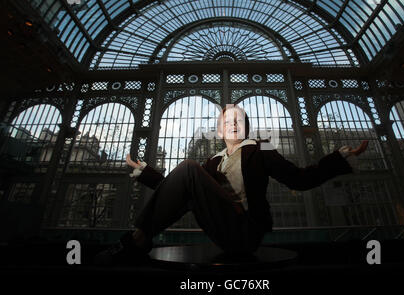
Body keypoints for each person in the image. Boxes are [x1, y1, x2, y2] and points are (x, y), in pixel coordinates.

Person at [95, 104, 368, 265]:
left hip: (247, 230)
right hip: (219, 226)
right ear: (219, 130)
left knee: (189, 167)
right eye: (227, 121)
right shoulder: (212, 162)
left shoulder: (262, 149)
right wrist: (145, 171)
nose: (233, 124)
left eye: (239, 120)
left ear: (246, 127)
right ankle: (138, 239)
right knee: (189, 171)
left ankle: (136, 242)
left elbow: (301, 179)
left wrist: (340, 158)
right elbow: (175, 191)